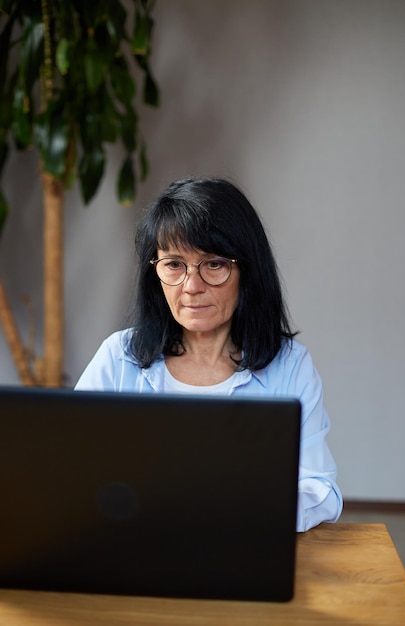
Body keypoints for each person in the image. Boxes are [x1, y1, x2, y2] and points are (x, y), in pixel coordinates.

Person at [75, 176, 343, 532]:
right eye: (173, 264)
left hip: (244, 545)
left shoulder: (289, 365)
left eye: (214, 264)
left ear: (246, 271)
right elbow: (72, 471)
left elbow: (320, 490)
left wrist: (241, 512)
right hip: (131, 544)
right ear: (153, 272)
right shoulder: (118, 358)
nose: (192, 286)